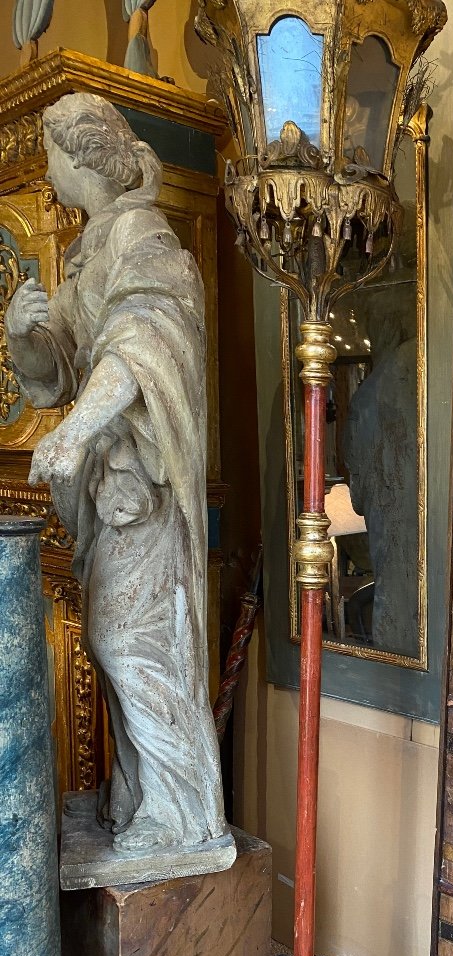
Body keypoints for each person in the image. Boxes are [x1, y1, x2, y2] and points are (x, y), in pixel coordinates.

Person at [6, 93, 227, 854]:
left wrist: (76, 432)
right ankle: (143, 794)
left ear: (81, 158)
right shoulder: (95, 247)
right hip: (112, 486)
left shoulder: (143, 235)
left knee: (133, 641)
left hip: (144, 486)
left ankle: (178, 808)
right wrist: (24, 335)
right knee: (118, 640)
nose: (48, 168)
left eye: (51, 153)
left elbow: (143, 341)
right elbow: (59, 365)